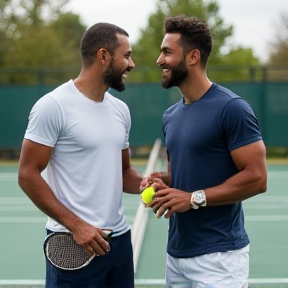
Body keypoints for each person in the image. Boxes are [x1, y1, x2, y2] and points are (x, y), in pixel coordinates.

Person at [141, 15, 267, 288]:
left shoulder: (232, 108)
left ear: (192, 57)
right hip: (176, 255)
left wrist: (193, 199)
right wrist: (164, 183)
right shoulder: (170, 116)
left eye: (166, 52)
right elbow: (184, 178)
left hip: (219, 258)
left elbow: (258, 178)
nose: (159, 60)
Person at [18, 23, 143, 288]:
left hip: (118, 244)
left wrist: (146, 185)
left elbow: (123, 171)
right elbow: (27, 174)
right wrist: (77, 226)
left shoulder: (121, 110)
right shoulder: (52, 106)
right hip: (73, 244)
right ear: (103, 56)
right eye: (127, 55)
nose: (131, 64)